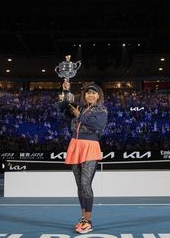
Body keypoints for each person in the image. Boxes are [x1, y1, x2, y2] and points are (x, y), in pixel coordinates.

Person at [58, 80, 108, 234]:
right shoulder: (78, 107)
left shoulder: (102, 110)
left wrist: (79, 116)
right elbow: (62, 109)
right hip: (75, 145)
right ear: (84, 95)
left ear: (98, 95)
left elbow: (97, 126)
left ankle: (89, 221)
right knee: (80, 186)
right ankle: (83, 218)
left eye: (93, 93)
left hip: (90, 146)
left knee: (86, 184)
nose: (90, 95)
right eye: (88, 93)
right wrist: (65, 92)